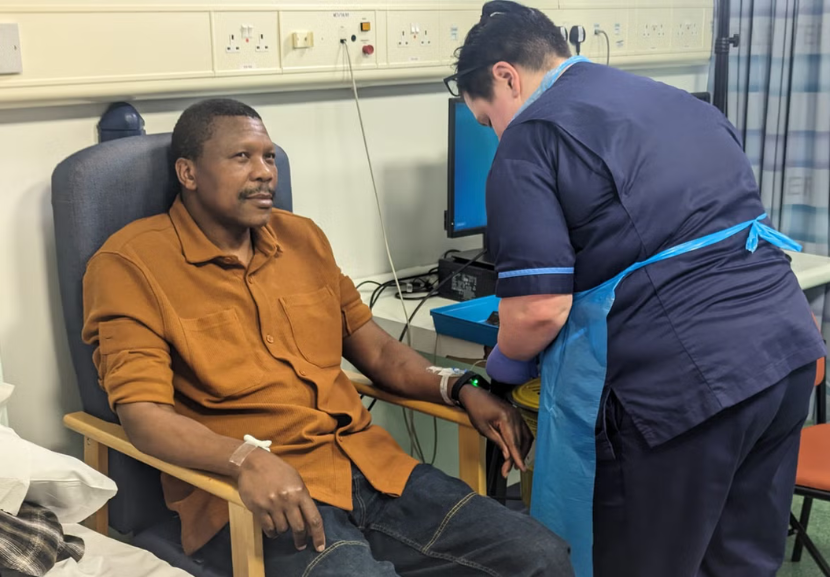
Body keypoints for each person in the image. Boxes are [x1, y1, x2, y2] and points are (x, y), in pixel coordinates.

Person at [82, 98, 574, 577]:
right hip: (260, 499)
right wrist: (244, 459)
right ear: (188, 174)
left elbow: (377, 350)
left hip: (371, 468)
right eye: (242, 157)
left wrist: (461, 386)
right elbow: (144, 416)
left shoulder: (303, 239)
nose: (264, 172)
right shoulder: (132, 265)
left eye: (269, 157)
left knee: (539, 554)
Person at [447, 3, 827, 577]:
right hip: (784, 357)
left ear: (506, 76)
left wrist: (495, 373)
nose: (495, 133)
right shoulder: (669, 98)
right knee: (738, 558)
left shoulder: (532, 135)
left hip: (684, 392)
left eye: (486, 119)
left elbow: (539, 310)